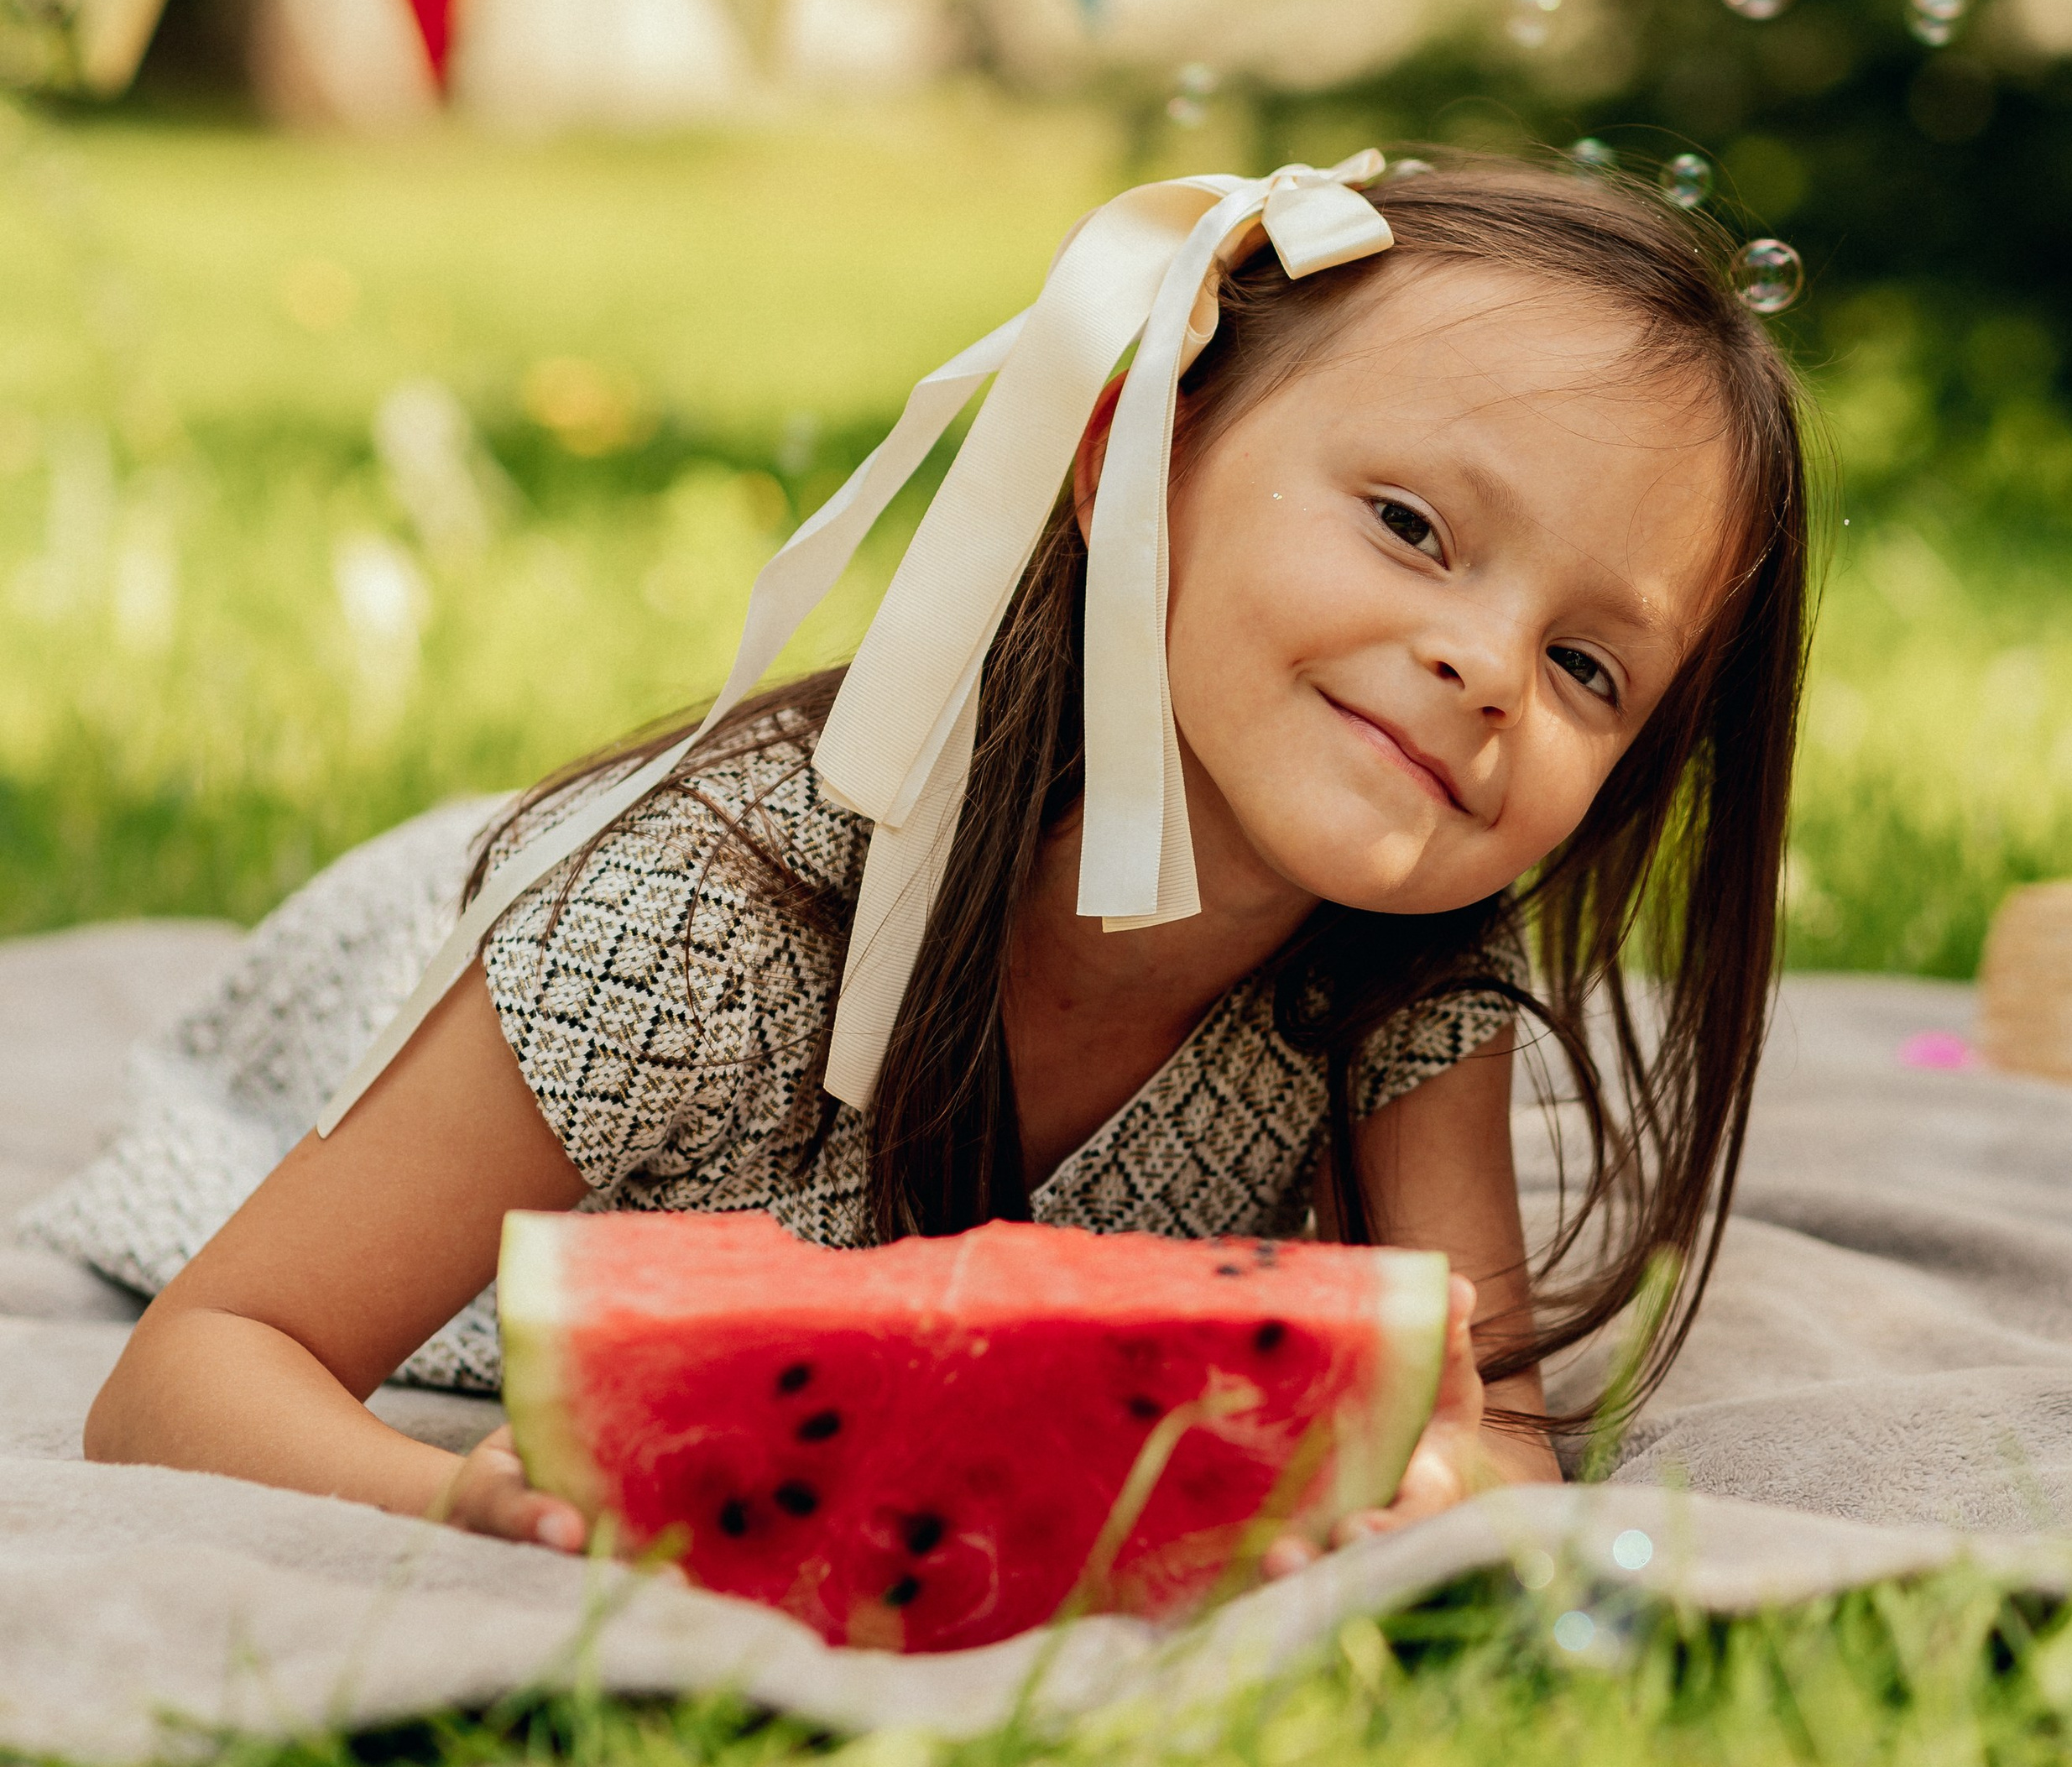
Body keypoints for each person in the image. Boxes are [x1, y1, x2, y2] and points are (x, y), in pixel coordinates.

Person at [64, 148, 1811, 1577]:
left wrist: (1418, 1501)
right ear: (1134, 462)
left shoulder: (1408, 977)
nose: (1489, 668)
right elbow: (199, 1367)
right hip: (439, 939)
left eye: (1588, 666)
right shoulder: (694, 922)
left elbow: (1493, 1432)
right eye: (1414, 527)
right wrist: (460, 1508)